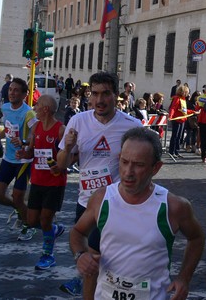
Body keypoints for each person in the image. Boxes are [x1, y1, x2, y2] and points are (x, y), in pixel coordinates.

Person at [70, 127, 205, 300]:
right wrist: (80, 255)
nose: (128, 172)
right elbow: (77, 232)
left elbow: (196, 238)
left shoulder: (173, 206)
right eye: (124, 162)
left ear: (155, 168)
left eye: (139, 165)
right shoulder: (102, 198)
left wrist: (184, 278)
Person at [57, 71, 143, 297]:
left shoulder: (132, 126)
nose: (99, 100)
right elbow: (60, 165)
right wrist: (67, 147)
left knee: (96, 258)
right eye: (94, 94)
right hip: (86, 202)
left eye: (106, 93)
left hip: (117, 204)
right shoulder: (78, 121)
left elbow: (145, 165)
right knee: (91, 260)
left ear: (117, 95)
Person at [14, 95, 67, 270]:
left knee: (44, 220)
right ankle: (53, 229)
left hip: (55, 183)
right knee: (31, 219)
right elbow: (31, 151)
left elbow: (70, 156)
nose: (34, 108)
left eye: (37, 105)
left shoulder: (61, 130)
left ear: (45, 109)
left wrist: (59, 166)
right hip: (37, 180)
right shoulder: (36, 127)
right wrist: (24, 154)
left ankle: (47, 255)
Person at [0, 77, 38, 240]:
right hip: (8, 159)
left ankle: (29, 226)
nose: (12, 93)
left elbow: (37, 136)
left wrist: (24, 142)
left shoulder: (28, 113)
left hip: (23, 161)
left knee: (18, 196)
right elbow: (8, 128)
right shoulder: (6, 108)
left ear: (24, 94)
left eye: (16, 90)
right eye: (10, 89)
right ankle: (20, 209)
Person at [168, 85, 194, 157]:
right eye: (187, 92)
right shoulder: (177, 98)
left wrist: (193, 112)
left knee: (179, 136)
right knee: (175, 136)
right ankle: (171, 151)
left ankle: (176, 151)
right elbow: (173, 108)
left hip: (182, 119)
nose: (188, 94)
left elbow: (184, 110)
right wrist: (170, 116)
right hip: (177, 119)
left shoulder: (183, 99)